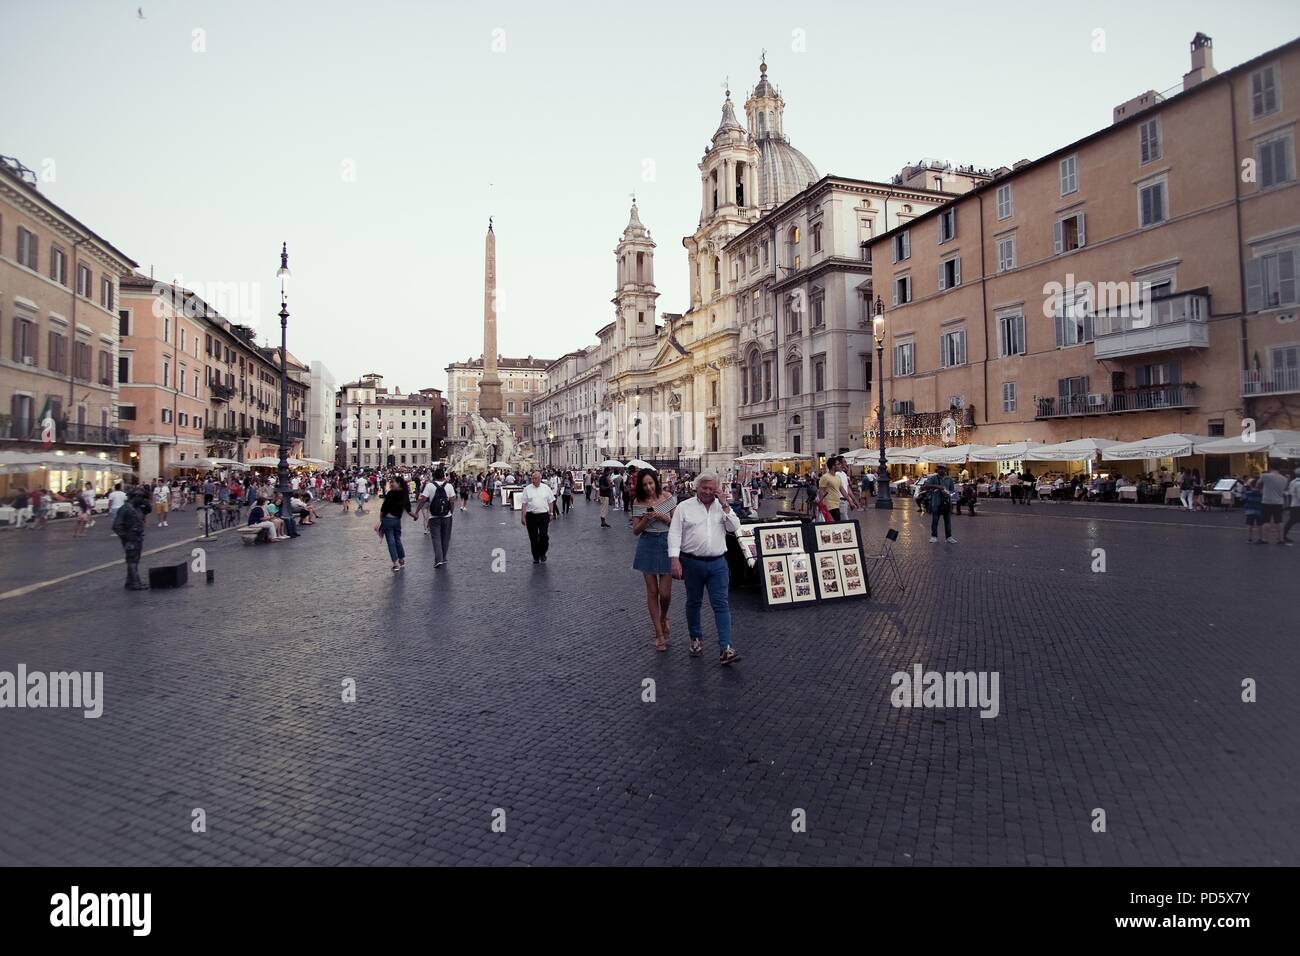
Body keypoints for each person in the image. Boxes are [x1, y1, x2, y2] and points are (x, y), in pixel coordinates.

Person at [668, 471, 741, 665]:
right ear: (696, 487)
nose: (707, 492)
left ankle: (726, 647)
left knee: (721, 604)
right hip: (692, 562)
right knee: (694, 602)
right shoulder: (684, 507)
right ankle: (696, 639)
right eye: (704, 488)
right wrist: (674, 560)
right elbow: (674, 534)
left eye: (711, 488)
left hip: (718, 563)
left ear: (716, 489)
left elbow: (735, 528)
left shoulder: (721, 507)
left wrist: (726, 505)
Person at [632, 469, 676, 652]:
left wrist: (662, 517)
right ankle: (659, 634)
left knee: (664, 593)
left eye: (651, 483)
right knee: (652, 591)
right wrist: (646, 520)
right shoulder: (638, 502)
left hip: (666, 542)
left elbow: (677, 524)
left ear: (656, 482)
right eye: (645, 485)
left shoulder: (667, 497)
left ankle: (664, 617)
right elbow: (636, 530)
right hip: (647, 543)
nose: (649, 487)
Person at [113, 487, 151, 589]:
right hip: (130, 538)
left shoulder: (138, 508)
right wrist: (125, 538)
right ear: (136, 497)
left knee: (135, 560)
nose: (143, 500)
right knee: (132, 561)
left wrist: (146, 502)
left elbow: (148, 509)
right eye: (142, 497)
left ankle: (130, 582)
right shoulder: (125, 509)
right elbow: (116, 526)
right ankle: (135, 583)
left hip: (138, 537)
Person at [419, 467, 456, 568]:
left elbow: (423, 500)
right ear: (444, 476)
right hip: (446, 515)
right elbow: (452, 501)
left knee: (436, 538)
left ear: (434, 476)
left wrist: (417, 511)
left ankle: (438, 559)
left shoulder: (429, 485)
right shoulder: (449, 486)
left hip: (433, 516)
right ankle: (443, 558)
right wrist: (451, 512)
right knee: (445, 538)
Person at [520, 470, 556, 564]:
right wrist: (523, 517)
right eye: (532, 478)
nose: (533, 480)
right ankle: (536, 556)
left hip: (543, 515)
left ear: (540, 479)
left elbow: (551, 501)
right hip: (531, 515)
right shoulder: (527, 489)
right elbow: (524, 504)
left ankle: (543, 552)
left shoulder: (546, 488)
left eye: (535, 478)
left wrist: (551, 513)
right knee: (533, 537)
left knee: (543, 535)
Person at [379, 477, 414, 571]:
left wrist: (380, 518)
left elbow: (384, 507)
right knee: (397, 540)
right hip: (397, 520)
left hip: (387, 519)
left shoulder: (391, 493)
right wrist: (415, 516)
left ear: (398, 483)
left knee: (391, 541)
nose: (391, 484)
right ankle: (401, 559)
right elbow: (408, 509)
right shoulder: (404, 494)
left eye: (393, 482)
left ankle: (395, 563)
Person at [924, 464, 957, 543]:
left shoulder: (949, 479)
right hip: (936, 502)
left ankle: (949, 537)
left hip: (946, 503)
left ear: (945, 470)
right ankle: (934, 536)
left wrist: (951, 499)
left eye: (942, 468)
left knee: (947, 521)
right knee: (935, 520)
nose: (941, 470)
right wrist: (937, 486)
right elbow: (926, 486)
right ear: (937, 469)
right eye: (939, 468)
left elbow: (953, 491)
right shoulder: (933, 478)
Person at [1259, 461, 1290, 545]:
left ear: (1270, 468)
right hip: (1279, 502)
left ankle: (1264, 539)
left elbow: (1258, 484)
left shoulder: (1265, 476)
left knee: (1266, 521)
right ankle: (1281, 539)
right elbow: (1285, 489)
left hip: (1267, 501)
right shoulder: (1284, 478)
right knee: (1279, 521)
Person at [1243, 476, 1264, 543]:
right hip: (1259, 511)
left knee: (1249, 525)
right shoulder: (1261, 494)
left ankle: (1249, 538)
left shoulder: (1248, 493)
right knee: (1259, 525)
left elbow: (1244, 500)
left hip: (1249, 511)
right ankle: (1260, 538)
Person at [1283, 467, 1300, 546]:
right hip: (1298, 505)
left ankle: (1283, 535)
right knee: (1291, 521)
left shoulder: (1292, 482)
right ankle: (1283, 536)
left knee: (1291, 521)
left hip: (1294, 504)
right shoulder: (1299, 483)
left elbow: (1289, 493)